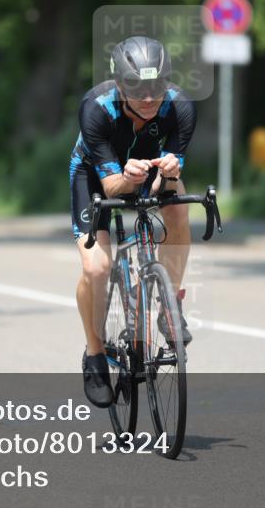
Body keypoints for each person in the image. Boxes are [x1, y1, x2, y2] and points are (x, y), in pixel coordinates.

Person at [70, 36, 197, 408]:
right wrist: (128, 175)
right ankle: (94, 354)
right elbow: (112, 185)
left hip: (150, 172)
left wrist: (170, 172)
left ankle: (169, 306)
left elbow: (169, 179)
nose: (147, 97)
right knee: (97, 268)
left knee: (178, 208)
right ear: (120, 85)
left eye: (155, 87)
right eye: (136, 89)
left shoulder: (181, 107)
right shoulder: (96, 108)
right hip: (97, 176)